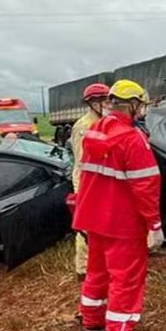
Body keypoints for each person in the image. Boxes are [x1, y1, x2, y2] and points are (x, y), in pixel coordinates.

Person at [73, 79, 163, 331]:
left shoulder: (95, 131)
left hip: (94, 218)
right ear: (134, 104)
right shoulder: (132, 139)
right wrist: (154, 225)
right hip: (123, 224)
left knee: (96, 276)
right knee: (126, 283)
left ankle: (93, 327)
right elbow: (146, 186)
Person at [68, 83, 111, 281]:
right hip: (87, 181)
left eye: (106, 99)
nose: (104, 103)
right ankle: (83, 269)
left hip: (103, 180)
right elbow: (83, 160)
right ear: (91, 103)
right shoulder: (84, 126)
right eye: (99, 100)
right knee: (86, 228)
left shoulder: (107, 121)